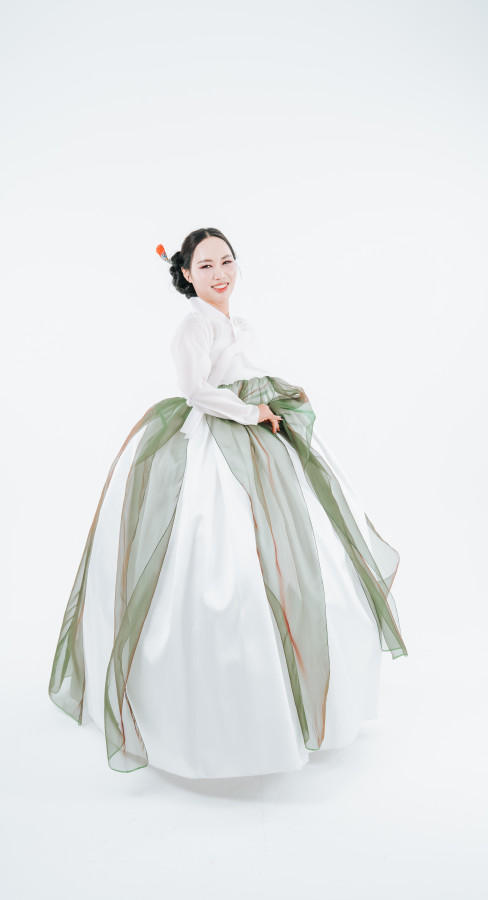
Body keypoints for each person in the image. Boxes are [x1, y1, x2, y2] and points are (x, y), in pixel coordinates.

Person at [48, 226, 408, 779]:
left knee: (310, 547)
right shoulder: (193, 326)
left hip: (259, 439)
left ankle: (307, 694)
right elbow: (197, 391)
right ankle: (206, 714)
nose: (220, 274)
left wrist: (272, 398)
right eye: (206, 266)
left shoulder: (240, 324)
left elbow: (247, 375)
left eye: (227, 261)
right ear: (186, 274)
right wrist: (249, 412)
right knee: (218, 550)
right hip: (216, 438)